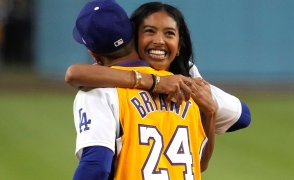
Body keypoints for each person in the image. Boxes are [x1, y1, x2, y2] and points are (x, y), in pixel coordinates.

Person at [71, 0, 215, 179]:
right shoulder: (184, 89)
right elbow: (198, 164)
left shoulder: (97, 90)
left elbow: (96, 166)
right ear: (133, 34)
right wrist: (210, 114)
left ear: (93, 53)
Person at [66, 1, 251, 134]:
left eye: (169, 33)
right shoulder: (180, 73)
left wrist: (208, 110)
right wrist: (156, 82)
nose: (159, 41)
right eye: (150, 31)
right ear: (133, 32)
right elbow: (75, 74)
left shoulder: (185, 75)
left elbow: (242, 116)